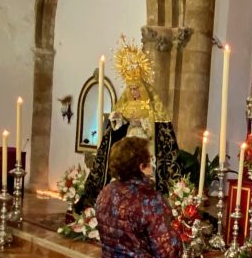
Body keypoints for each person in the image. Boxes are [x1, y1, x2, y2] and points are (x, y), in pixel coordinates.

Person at [76, 35, 181, 213]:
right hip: (128, 143)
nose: (133, 92)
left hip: (143, 144)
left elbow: (155, 132)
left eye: (136, 88)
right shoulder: (124, 102)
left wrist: (141, 121)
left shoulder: (151, 105)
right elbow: (116, 130)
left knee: (142, 170)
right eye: (131, 88)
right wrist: (117, 119)